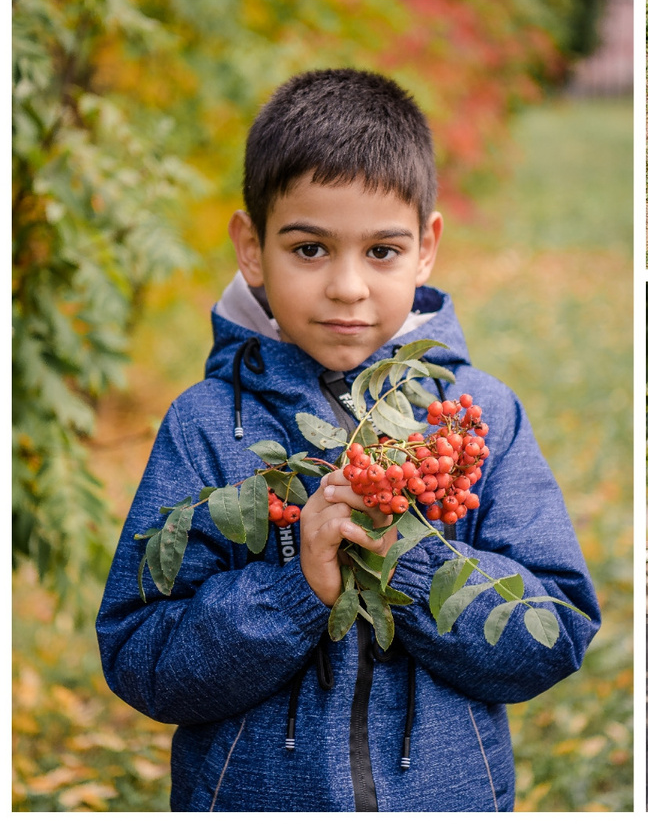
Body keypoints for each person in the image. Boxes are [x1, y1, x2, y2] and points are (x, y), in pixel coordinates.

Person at [96, 70, 598, 809]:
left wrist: (415, 560)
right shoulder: (205, 425)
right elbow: (141, 656)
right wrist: (295, 591)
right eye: (309, 249)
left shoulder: (473, 416)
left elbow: (555, 630)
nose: (348, 286)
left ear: (426, 247)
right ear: (251, 246)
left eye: (382, 251)